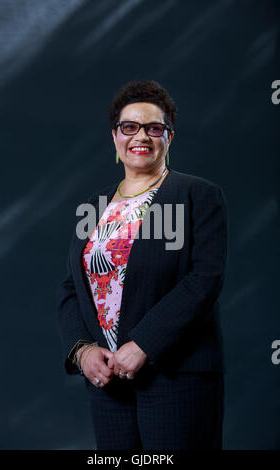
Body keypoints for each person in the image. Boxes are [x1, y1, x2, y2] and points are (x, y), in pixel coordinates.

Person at [56, 79, 228, 450]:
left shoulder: (196, 194)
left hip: (176, 377)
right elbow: (71, 287)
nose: (142, 136)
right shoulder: (94, 205)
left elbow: (205, 279)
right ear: (115, 137)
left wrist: (144, 343)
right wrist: (82, 351)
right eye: (129, 126)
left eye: (155, 128)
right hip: (108, 383)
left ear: (170, 137)